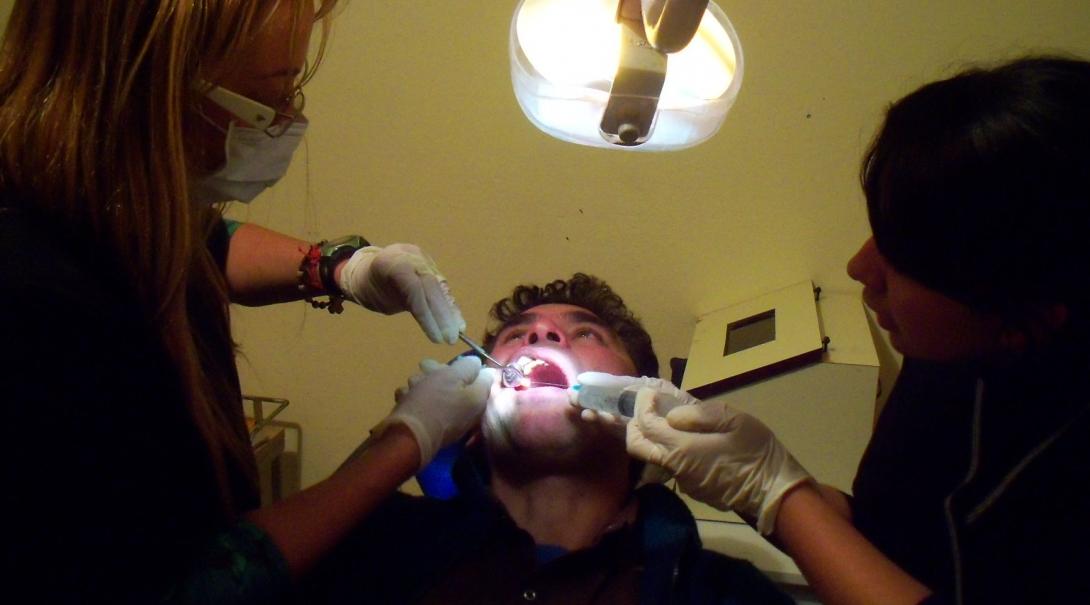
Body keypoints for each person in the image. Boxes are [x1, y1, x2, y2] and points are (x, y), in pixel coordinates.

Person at [0, 1, 491, 602]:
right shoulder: (35, 316)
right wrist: (405, 442)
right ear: (151, 94)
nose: (288, 118)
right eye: (272, 97)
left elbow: (193, 244)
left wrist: (339, 267)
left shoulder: (102, 196)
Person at [616, 56, 1090, 604]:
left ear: (1022, 317)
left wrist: (778, 495)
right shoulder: (946, 362)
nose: (859, 269)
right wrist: (769, 485)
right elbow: (889, 534)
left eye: (901, 259)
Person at [302, 273, 793, 604]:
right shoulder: (381, 548)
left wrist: (782, 499)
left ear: (639, 402)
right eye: (517, 335)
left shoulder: (721, 592)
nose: (542, 336)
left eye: (586, 335)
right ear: (470, 422)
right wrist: (400, 441)